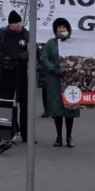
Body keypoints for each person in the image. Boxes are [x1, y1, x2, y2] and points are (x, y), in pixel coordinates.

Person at [39, 17, 79, 148]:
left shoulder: (73, 43)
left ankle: (69, 136)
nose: (61, 29)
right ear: (55, 30)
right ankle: (58, 136)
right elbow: (44, 58)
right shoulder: (51, 43)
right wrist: (53, 69)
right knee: (57, 109)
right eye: (59, 27)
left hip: (69, 79)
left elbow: (78, 58)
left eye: (64, 27)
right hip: (54, 79)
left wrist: (72, 69)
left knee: (69, 108)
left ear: (68, 29)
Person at [0, 10, 30, 142]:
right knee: (6, 102)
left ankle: (26, 134)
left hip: (21, 72)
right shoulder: (3, 34)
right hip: (7, 72)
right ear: (10, 24)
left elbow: (32, 51)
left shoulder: (26, 34)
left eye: (19, 22)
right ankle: (7, 131)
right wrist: (5, 58)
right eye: (15, 23)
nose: (18, 25)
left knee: (25, 103)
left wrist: (20, 57)